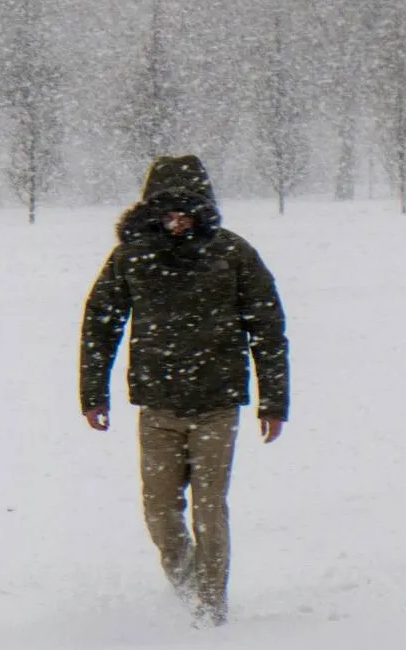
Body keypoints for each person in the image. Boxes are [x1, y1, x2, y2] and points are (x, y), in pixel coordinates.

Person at [78, 154, 289, 627]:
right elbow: (100, 325)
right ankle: (191, 582)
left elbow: (268, 329)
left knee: (209, 509)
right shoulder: (132, 257)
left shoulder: (233, 254)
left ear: (204, 208)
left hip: (218, 406)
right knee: (159, 514)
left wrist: (273, 402)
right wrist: (93, 394)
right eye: (167, 210)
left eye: (187, 209)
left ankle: (211, 608)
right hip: (158, 409)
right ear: (151, 211)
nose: (178, 219)